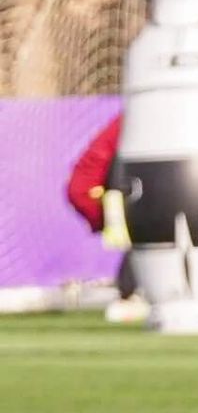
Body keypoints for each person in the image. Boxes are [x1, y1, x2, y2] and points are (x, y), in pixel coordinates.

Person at [63, 114, 146, 324]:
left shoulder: (137, 117)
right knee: (143, 230)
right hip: (94, 189)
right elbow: (118, 159)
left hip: (97, 186)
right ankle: (128, 296)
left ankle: (130, 292)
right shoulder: (140, 120)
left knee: (142, 231)